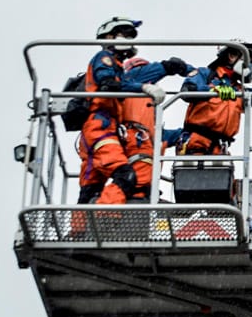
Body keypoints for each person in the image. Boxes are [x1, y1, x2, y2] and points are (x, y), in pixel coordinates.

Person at [77, 17, 189, 205]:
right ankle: (104, 217)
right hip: (101, 127)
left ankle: (79, 232)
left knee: (90, 188)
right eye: (125, 35)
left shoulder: (118, 68)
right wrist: (143, 87)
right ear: (109, 36)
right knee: (126, 176)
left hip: (99, 128)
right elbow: (109, 85)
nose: (129, 40)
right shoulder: (104, 59)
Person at [118, 55, 191, 200]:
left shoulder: (148, 118)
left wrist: (193, 132)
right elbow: (162, 68)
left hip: (144, 144)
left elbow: (161, 136)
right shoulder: (132, 80)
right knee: (137, 186)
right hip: (136, 144)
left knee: (138, 186)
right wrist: (190, 71)